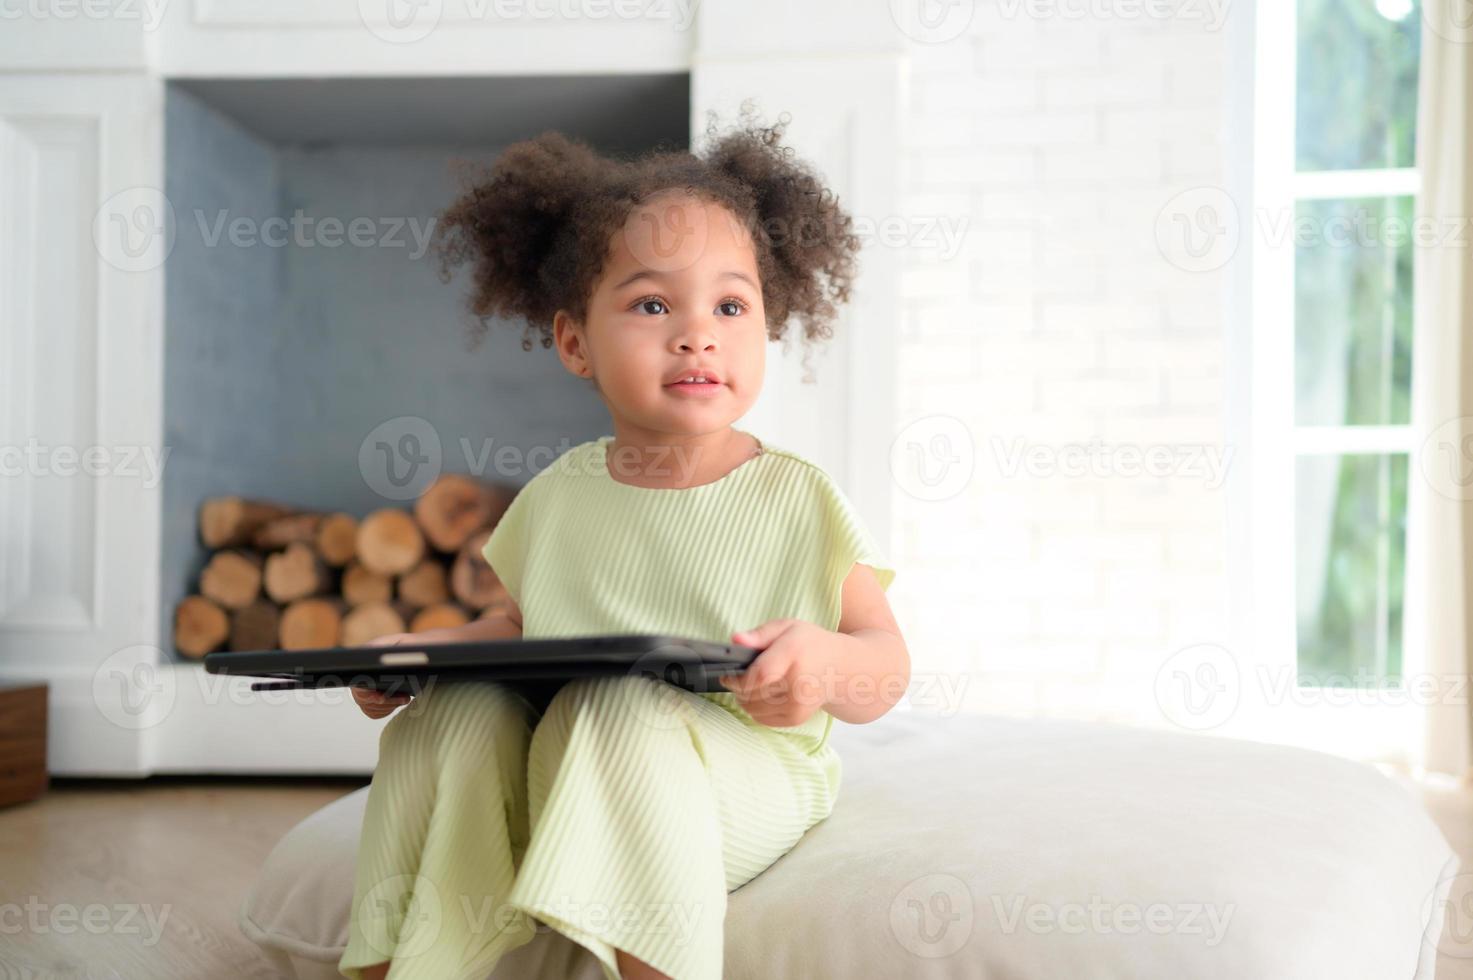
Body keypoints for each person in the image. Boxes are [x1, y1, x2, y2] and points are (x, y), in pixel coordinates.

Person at [341, 106, 908, 980]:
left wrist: (822, 665)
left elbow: (886, 663)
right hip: (563, 762)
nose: (696, 333)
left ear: (767, 327)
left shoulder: (797, 496)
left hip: (737, 776)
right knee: (447, 719)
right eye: (651, 303)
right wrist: (419, 655)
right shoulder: (559, 494)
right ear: (575, 341)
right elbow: (516, 633)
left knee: (614, 707)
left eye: (729, 304)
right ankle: (412, 965)